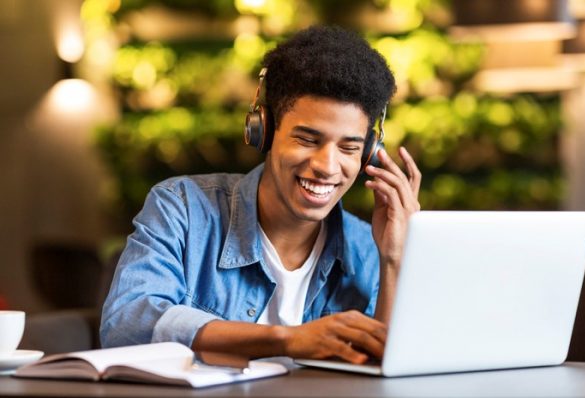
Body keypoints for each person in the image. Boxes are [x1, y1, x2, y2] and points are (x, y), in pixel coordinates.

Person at [100, 25, 421, 364]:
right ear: (264, 131)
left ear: (368, 153)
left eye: (349, 147)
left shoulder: (368, 247)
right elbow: (125, 325)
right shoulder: (181, 208)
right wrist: (286, 340)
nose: (328, 166)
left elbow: (387, 374)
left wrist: (396, 259)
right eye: (308, 140)